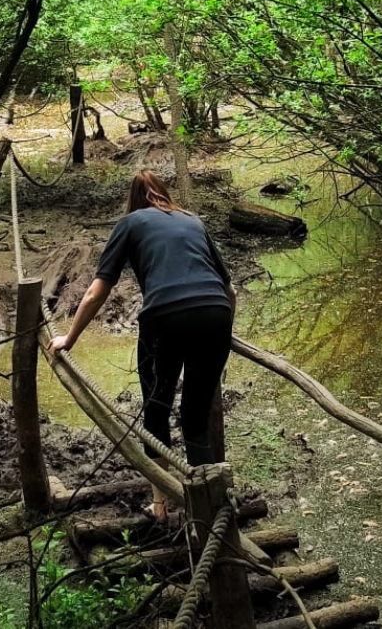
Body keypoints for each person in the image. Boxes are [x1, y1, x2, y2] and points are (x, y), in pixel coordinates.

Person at [48, 169, 236, 521]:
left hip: (165, 319)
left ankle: (161, 506)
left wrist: (68, 338)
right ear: (164, 195)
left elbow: (97, 290)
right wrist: (222, 334)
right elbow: (230, 290)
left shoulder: (130, 223)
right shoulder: (193, 220)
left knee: (157, 408)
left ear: (133, 202)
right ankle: (208, 517)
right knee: (195, 419)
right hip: (216, 315)